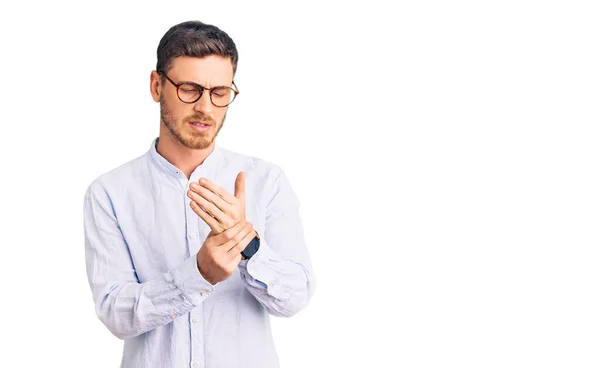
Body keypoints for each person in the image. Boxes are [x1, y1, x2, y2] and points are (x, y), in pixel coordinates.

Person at [83, 20, 316, 368]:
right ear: (156, 85)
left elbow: (295, 297)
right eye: (190, 89)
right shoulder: (111, 193)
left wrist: (247, 246)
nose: (206, 107)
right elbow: (115, 313)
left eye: (219, 92)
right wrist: (199, 274)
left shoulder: (266, 180)